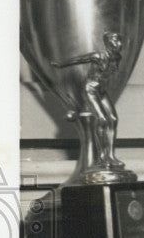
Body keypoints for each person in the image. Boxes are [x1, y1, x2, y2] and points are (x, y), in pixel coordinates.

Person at [51, 30, 126, 170]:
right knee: (102, 119)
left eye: (119, 39)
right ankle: (102, 156)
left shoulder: (117, 58)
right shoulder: (99, 55)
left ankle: (111, 155)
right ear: (107, 42)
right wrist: (60, 64)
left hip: (102, 91)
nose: (118, 43)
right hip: (90, 90)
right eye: (114, 40)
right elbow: (79, 59)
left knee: (113, 119)